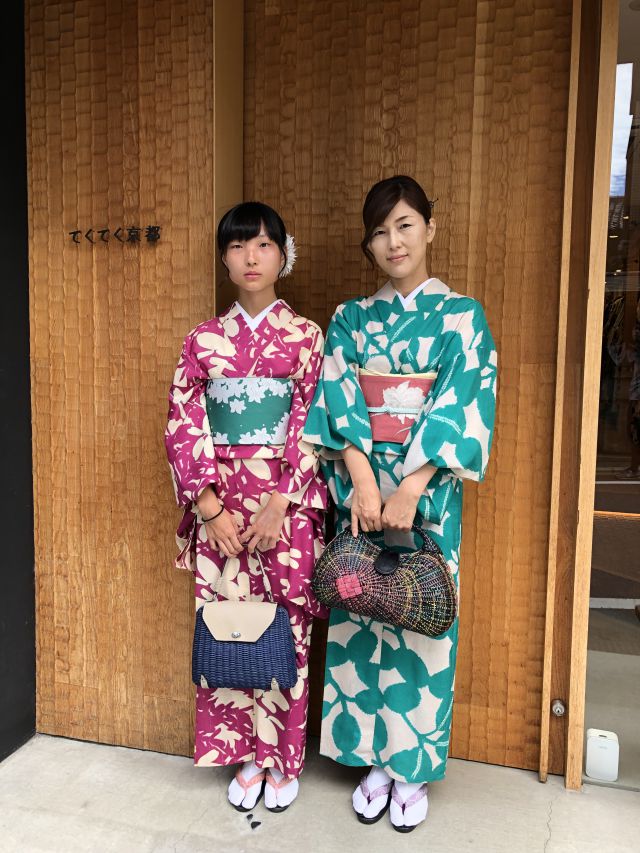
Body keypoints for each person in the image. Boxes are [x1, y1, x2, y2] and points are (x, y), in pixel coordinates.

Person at [303, 175, 497, 832]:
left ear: (430, 228)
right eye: (381, 231)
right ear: (369, 243)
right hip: (361, 490)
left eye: (406, 225)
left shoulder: (462, 317)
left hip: (428, 492)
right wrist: (362, 479)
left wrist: (411, 486)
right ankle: (370, 760)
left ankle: (410, 764)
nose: (394, 242)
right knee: (360, 608)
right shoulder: (351, 318)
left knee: (421, 613)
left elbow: (465, 400)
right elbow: (337, 397)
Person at [165, 201, 327, 813]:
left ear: (284, 254)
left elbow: (316, 422)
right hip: (223, 506)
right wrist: (209, 507)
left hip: (286, 506)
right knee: (228, 624)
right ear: (224, 258)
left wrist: (281, 500)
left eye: (263, 245)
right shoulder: (202, 341)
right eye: (237, 246)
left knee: (287, 628)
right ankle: (242, 754)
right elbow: (183, 421)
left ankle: (281, 757)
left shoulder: (307, 337)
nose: (250, 257)